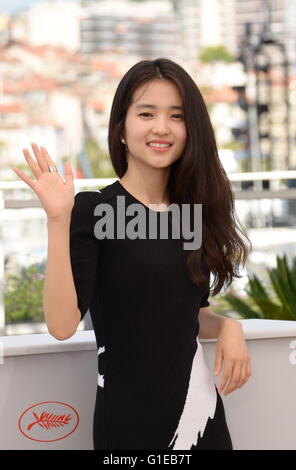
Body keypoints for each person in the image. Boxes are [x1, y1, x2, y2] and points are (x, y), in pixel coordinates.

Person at [13, 57, 252, 450]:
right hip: (128, 430)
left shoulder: (191, 213)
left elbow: (188, 312)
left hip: (202, 422)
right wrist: (58, 220)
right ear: (122, 128)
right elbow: (61, 324)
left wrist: (229, 327)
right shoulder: (94, 210)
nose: (162, 127)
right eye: (146, 113)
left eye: (176, 116)